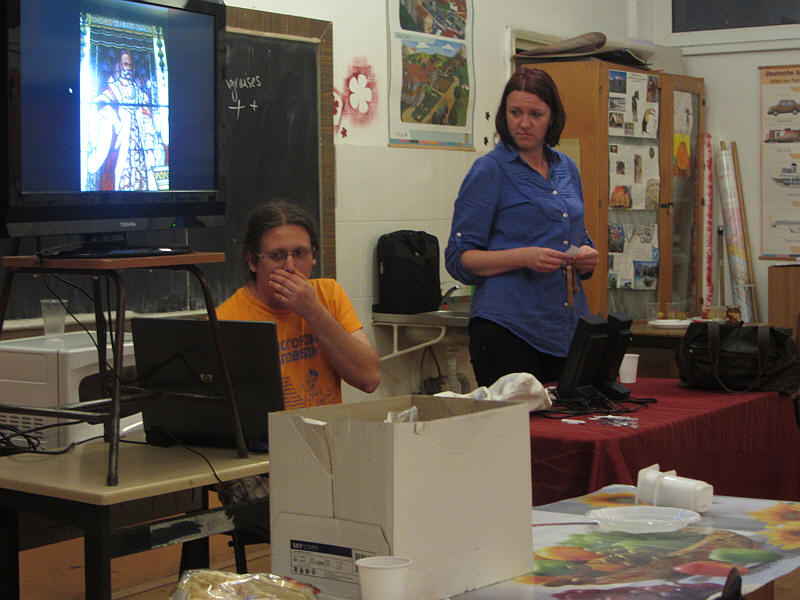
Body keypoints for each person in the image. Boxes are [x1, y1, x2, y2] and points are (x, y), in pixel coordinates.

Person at [444, 68, 599, 387]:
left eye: (535, 114)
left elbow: (573, 235)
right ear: (504, 115)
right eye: (515, 113)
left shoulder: (566, 168)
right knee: (520, 420)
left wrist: (586, 256)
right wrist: (525, 257)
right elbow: (459, 258)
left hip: (565, 327)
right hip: (508, 328)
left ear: (552, 118)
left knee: (572, 414)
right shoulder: (489, 170)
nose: (524, 123)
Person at [217, 200, 380, 407]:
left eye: (300, 253)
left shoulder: (329, 294)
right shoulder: (225, 319)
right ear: (252, 261)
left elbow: (369, 379)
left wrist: (314, 312)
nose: (290, 266)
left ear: (314, 256)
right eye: (277, 256)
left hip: (325, 425)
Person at [87, 49, 163, 191]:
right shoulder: (112, 89)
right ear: (119, 66)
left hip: (139, 148)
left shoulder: (140, 93)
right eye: (125, 64)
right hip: (120, 146)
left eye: (130, 65)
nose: (128, 68)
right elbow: (100, 104)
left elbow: (147, 120)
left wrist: (149, 147)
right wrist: (115, 119)